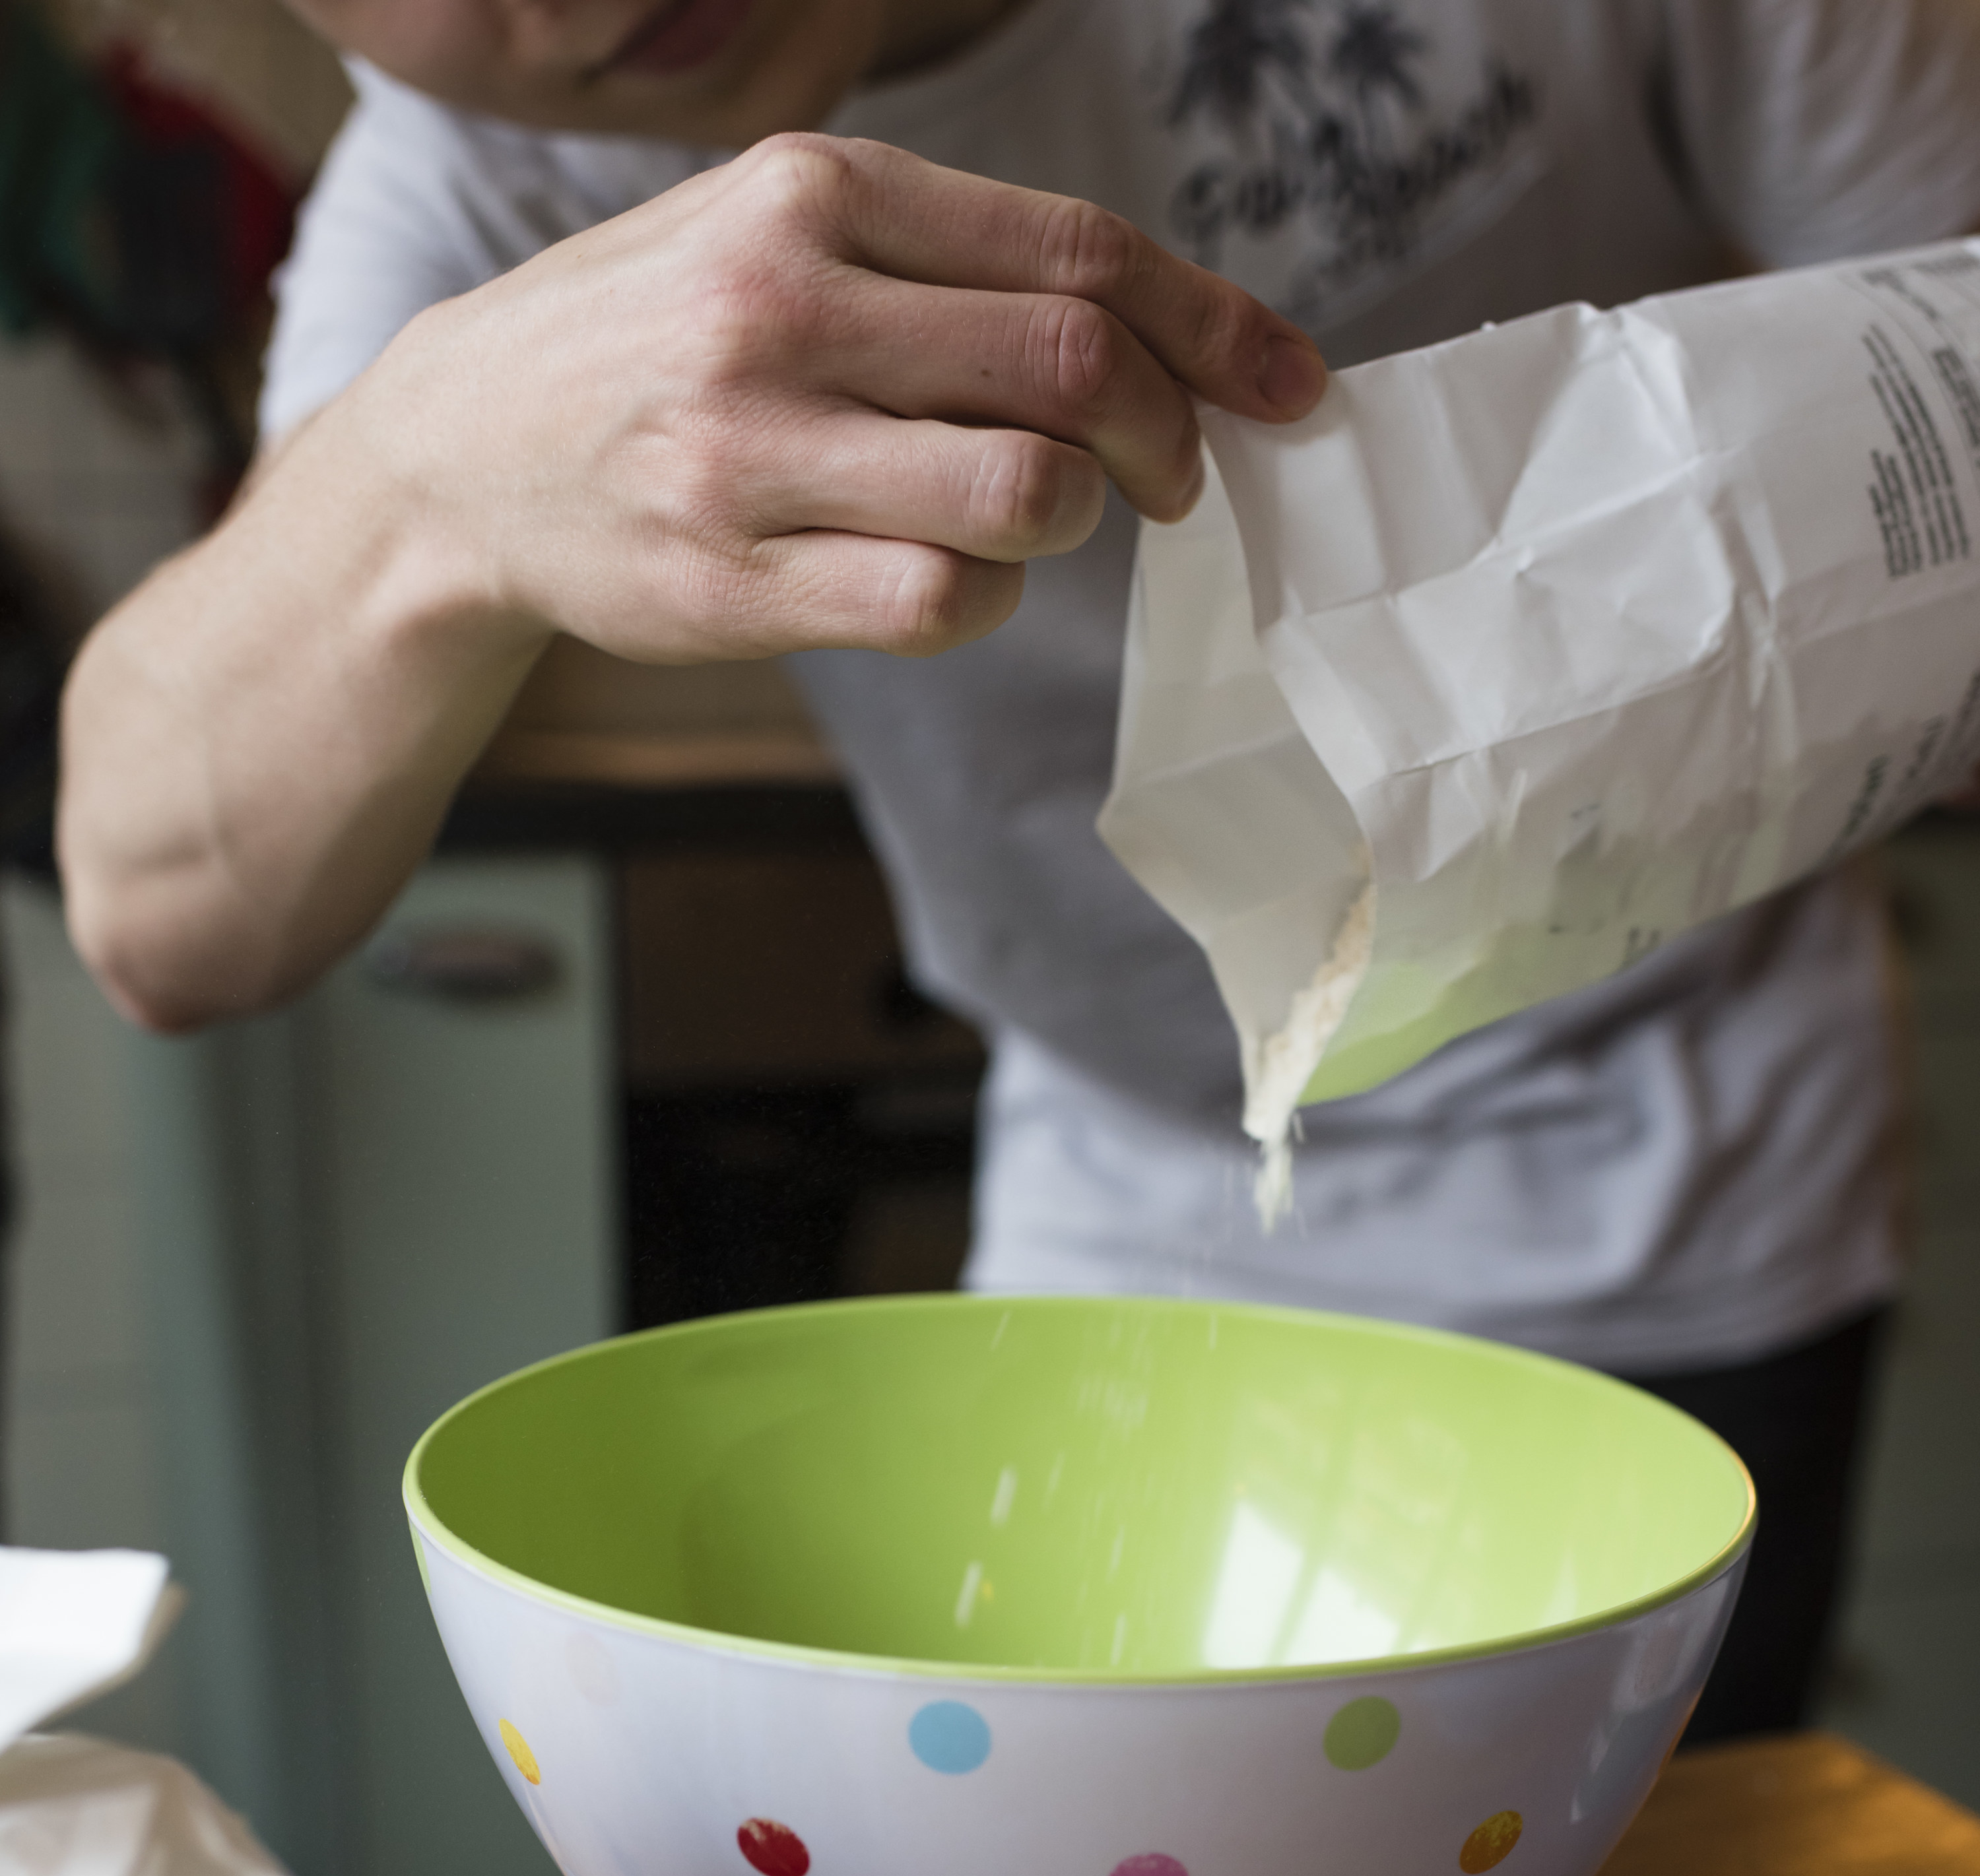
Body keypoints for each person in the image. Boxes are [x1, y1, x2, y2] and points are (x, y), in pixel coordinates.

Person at [55, 0, 1980, 1738]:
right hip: (1128, 1182)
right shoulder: (485, 178)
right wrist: (426, 485)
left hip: (1681, 1146)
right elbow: (162, 907)